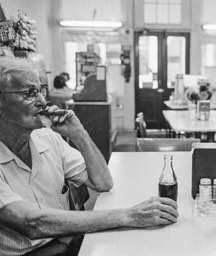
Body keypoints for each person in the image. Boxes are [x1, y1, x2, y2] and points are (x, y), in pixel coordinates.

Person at [0, 57, 179, 256]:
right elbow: (32, 223)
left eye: (40, 91)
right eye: (29, 93)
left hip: (68, 242)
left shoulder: (48, 137)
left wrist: (79, 134)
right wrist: (129, 215)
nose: (42, 101)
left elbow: (103, 183)